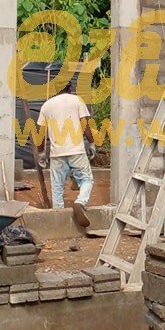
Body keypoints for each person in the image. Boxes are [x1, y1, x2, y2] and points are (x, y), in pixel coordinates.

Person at [36, 82, 96, 227]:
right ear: (70, 88)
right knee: (86, 180)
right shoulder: (77, 101)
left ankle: (59, 222)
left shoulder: (46, 105)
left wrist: (41, 153)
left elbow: (40, 133)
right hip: (76, 151)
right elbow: (85, 125)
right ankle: (80, 202)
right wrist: (92, 143)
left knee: (57, 188)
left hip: (57, 153)